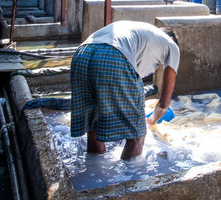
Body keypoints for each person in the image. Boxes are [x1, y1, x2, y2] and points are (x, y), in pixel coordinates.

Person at [70, 20, 180, 160]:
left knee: (93, 125)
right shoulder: (171, 45)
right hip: (113, 55)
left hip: (81, 54)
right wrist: (149, 121)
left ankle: (94, 170)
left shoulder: (142, 34)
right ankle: (128, 178)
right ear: (171, 39)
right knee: (136, 135)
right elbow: (164, 103)